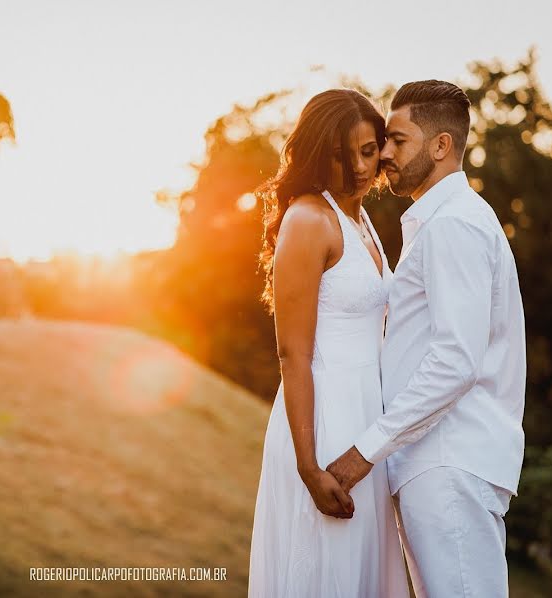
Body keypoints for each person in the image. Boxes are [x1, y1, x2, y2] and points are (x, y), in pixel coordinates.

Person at [327, 80, 527, 597]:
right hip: (436, 462)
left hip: (447, 461)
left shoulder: (453, 226)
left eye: (399, 140)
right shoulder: (440, 222)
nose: (386, 154)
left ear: (441, 146)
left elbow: (455, 360)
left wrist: (365, 450)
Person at [247, 89, 408, 597]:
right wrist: (308, 466)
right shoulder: (308, 219)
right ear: (318, 154)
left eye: (368, 150)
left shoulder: (361, 219)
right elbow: (292, 353)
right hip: (324, 420)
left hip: (367, 420)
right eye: (343, 156)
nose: (360, 168)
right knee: (326, 571)